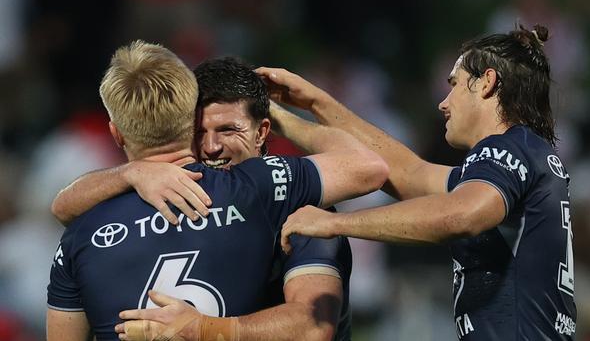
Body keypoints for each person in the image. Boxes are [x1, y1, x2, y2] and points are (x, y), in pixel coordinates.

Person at [46, 41, 388, 341]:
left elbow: (61, 208)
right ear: (187, 121)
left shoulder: (82, 234)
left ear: (116, 134)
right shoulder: (264, 189)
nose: (211, 147)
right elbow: (365, 165)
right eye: (203, 131)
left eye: (228, 130)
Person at [257, 24, 577, 340]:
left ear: (486, 83)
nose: (444, 102)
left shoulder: (507, 149)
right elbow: (408, 172)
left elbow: (459, 216)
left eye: (454, 84)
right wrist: (310, 106)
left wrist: (334, 223)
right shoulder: (524, 154)